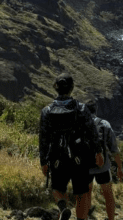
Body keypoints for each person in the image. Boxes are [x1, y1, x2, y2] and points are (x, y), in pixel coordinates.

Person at [39, 74, 104, 220]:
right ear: (72, 88)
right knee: (81, 194)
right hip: (79, 156)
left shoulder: (47, 111)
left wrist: (43, 161)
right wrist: (98, 153)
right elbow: (92, 132)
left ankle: (63, 207)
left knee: (57, 189)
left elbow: (43, 139)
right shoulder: (81, 108)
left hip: (57, 156)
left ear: (56, 88)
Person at [86, 99, 123, 220]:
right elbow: (114, 149)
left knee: (86, 193)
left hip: (84, 166)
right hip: (102, 165)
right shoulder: (104, 124)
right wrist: (120, 167)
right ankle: (111, 218)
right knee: (108, 194)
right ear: (95, 110)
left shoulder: (79, 124)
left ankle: (86, 215)